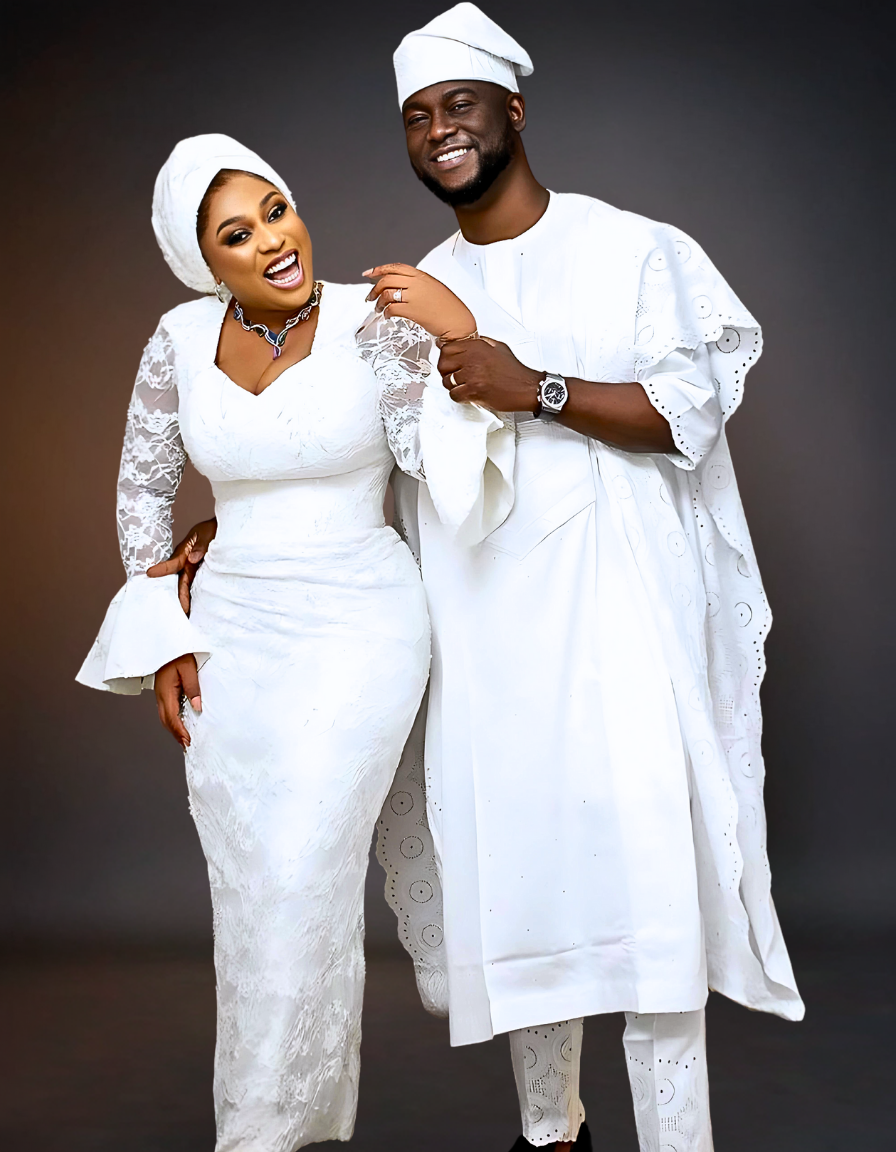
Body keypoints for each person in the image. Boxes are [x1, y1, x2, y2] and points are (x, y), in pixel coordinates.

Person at [164, 6, 805, 1150]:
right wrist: (236, 517)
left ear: (511, 108)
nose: (437, 131)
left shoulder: (628, 246)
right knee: (522, 891)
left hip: (620, 629)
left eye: (457, 104)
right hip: (486, 638)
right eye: (415, 116)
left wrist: (533, 384)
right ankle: (548, 1135)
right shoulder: (396, 300)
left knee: (647, 906)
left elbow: (686, 415)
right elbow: (348, 440)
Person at [75, 132, 474, 1151]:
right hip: (232, 636)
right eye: (236, 232)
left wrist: (456, 337)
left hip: (360, 626)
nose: (273, 239)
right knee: (253, 890)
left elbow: (440, 465)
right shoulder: (174, 338)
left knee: (302, 869)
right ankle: (280, 1125)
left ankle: (256, 1137)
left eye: (277, 208)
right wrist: (165, 638)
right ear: (201, 262)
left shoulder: (372, 325)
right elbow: (141, 493)